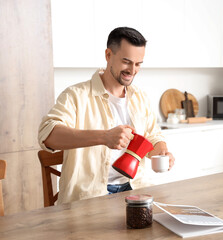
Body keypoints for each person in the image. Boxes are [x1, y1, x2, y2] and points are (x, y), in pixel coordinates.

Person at [38, 27, 175, 204]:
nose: (132, 70)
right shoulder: (76, 95)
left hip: (136, 190)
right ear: (108, 55)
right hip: (89, 198)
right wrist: (104, 137)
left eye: (138, 63)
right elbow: (47, 135)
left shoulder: (140, 97)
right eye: (126, 62)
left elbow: (153, 135)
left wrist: (161, 150)